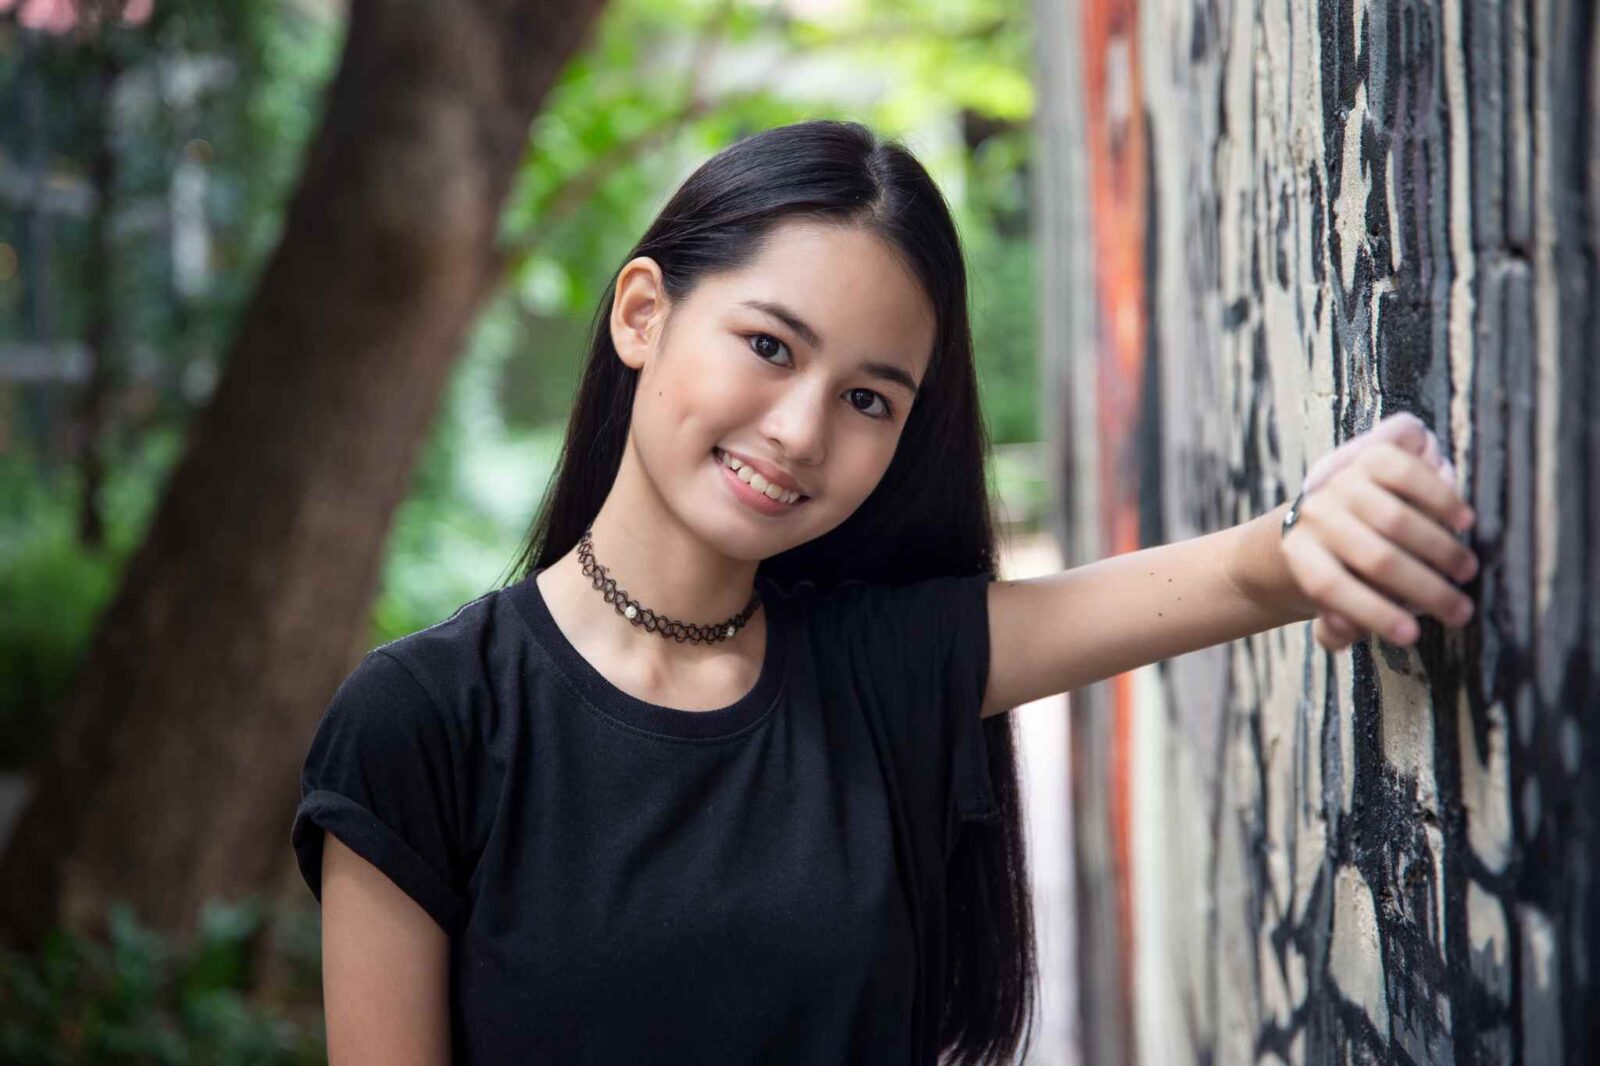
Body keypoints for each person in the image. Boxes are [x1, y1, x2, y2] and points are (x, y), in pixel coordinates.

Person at [289, 120, 1479, 1065]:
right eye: (769, 345)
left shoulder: (881, 672)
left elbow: (1239, 567)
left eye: (869, 398)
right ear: (643, 311)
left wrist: (1336, 517)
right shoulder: (425, 720)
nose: (800, 429)